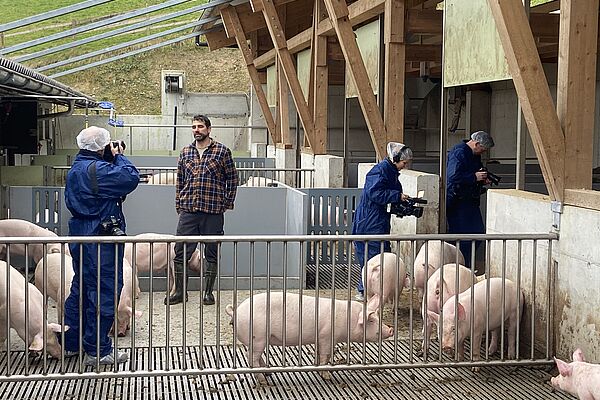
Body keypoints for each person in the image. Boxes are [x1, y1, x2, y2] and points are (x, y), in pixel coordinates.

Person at [62, 126, 139, 366]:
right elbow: (130, 177)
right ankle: (98, 350)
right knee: (104, 291)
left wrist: (107, 155)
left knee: (81, 288)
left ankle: (72, 343)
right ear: (102, 145)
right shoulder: (101, 170)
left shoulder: (77, 168)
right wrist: (118, 155)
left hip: (81, 234)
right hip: (100, 238)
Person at [165, 114, 238, 306]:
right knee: (180, 252)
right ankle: (180, 292)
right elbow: (180, 179)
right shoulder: (185, 152)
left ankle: (208, 292)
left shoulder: (222, 151)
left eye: (200, 126)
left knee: (211, 252)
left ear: (209, 129)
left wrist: (226, 202)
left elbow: (232, 179)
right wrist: (179, 204)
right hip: (189, 210)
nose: (196, 130)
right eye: (194, 127)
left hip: (213, 211)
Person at [352, 142, 413, 300]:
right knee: (373, 258)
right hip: (370, 221)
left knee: (379, 256)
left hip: (377, 219)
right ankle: (365, 290)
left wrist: (401, 204)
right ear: (396, 158)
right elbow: (375, 193)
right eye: (404, 163)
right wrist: (397, 196)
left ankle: (370, 290)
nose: (404, 166)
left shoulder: (389, 172)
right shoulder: (380, 171)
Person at [446, 130, 495, 270]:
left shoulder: (473, 155)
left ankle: (462, 265)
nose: (483, 152)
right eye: (483, 149)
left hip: (469, 200)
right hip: (458, 201)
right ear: (476, 143)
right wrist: (474, 177)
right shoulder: (459, 153)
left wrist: (481, 180)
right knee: (463, 236)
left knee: (475, 233)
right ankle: (458, 266)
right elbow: (453, 177)